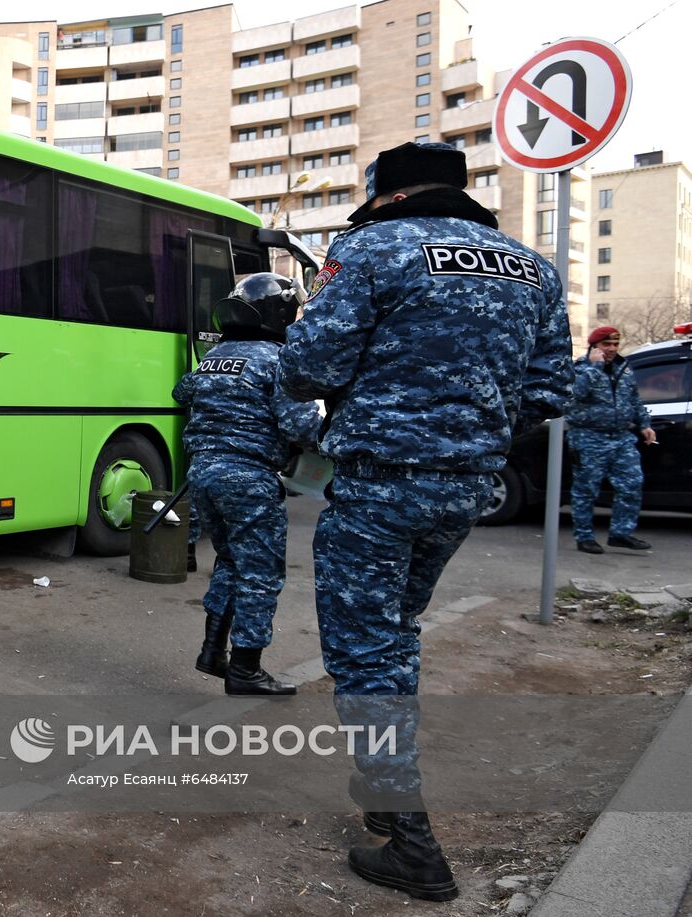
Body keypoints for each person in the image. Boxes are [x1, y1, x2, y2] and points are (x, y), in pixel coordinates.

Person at [278, 142, 573, 900]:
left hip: (379, 484)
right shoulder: (532, 266)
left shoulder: (372, 247)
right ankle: (382, 787)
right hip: (467, 488)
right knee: (398, 629)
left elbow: (307, 365)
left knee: (365, 649)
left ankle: (412, 838)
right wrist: (469, 436)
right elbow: (549, 391)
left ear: (385, 193)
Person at [172, 273, 322, 696]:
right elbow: (300, 426)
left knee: (230, 562)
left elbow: (181, 392)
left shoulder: (215, 356)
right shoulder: (278, 360)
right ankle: (246, 670)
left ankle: (212, 651)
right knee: (259, 574)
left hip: (202, 475)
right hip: (249, 480)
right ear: (280, 313)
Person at [567, 325, 656, 554]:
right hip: (588, 437)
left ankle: (621, 533)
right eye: (606, 344)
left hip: (621, 438)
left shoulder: (623, 368)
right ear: (594, 347)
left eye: (615, 344)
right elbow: (576, 393)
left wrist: (645, 425)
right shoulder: (581, 368)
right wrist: (596, 366)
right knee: (586, 490)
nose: (612, 349)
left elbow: (634, 399)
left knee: (632, 484)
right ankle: (584, 537)